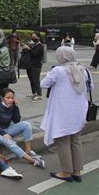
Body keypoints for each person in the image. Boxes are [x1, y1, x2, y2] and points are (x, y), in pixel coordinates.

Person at [40, 46, 90, 182]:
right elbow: (90, 87)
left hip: (63, 111)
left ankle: (66, 173)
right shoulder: (84, 69)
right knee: (75, 140)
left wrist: (49, 74)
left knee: (63, 141)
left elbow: (43, 84)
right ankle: (77, 171)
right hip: (79, 110)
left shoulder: (58, 70)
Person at [0, 88, 45, 169]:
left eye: (12, 98)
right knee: (8, 142)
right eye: (8, 98)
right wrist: (4, 134)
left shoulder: (12, 106)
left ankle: (28, 151)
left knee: (26, 124)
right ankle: (32, 160)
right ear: (2, 98)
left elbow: (16, 120)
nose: (10, 100)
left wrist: (16, 107)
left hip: (7, 128)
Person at [22, 32, 44, 103]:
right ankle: (34, 93)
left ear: (38, 38)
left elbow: (35, 54)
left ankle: (39, 95)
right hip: (30, 65)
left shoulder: (40, 46)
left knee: (36, 80)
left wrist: (29, 48)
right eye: (32, 36)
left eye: (34, 37)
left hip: (36, 66)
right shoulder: (34, 45)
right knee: (31, 80)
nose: (33, 38)